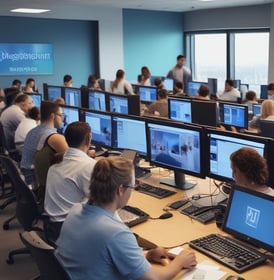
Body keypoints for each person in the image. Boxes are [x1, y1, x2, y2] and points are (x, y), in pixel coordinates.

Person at [55, 157, 197, 279]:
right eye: (132, 187)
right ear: (120, 189)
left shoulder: (75, 210)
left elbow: (102, 257)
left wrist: (147, 255)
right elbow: (155, 278)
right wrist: (180, 261)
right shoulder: (115, 232)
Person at [44, 121, 96, 243]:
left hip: (52, 226)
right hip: (69, 229)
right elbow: (102, 203)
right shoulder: (88, 165)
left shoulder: (55, 164)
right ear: (88, 138)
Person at [20, 101, 68, 188]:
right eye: (61, 115)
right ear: (53, 116)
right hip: (36, 181)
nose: (63, 118)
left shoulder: (33, 131)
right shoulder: (54, 137)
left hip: (26, 176)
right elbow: (73, 158)